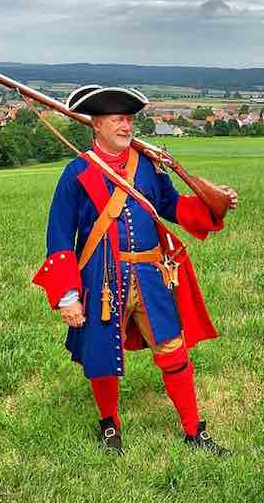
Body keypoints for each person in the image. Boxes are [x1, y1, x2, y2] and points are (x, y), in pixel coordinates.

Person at [32, 84, 238, 455]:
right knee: (102, 355)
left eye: (128, 119)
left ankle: (194, 432)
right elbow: (59, 238)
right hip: (103, 280)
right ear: (96, 124)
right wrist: (68, 296)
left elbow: (171, 205)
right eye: (117, 119)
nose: (126, 126)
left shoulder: (146, 165)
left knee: (173, 351)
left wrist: (212, 206)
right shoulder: (76, 174)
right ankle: (110, 425)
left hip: (151, 275)